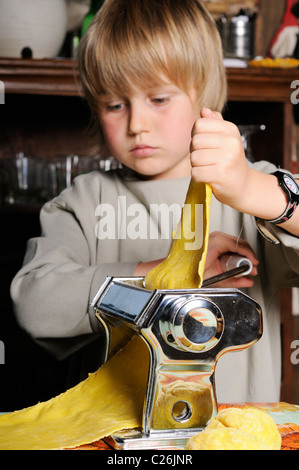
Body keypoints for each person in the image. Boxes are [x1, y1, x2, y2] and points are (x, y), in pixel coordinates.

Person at [10, 0, 299, 403]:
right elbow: (35, 306)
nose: (137, 124)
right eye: (115, 105)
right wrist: (163, 274)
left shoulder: (253, 191)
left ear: (204, 91)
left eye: (159, 99)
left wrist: (253, 190)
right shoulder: (82, 202)